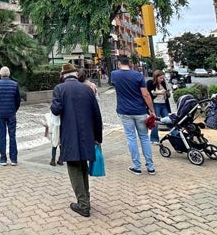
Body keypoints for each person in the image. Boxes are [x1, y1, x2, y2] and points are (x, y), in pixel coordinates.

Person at [50, 63, 103, 218]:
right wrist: (98, 138)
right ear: (75, 75)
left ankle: (83, 204)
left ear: (62, 76)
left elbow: (55, 110)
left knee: (74, 167)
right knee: (83, 167)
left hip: (70, 134)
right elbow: (97, 115)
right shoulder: (87, 89)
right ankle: (86, 199)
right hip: (87, 135)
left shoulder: (59, 89)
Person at [112, 55, 156, 175]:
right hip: (140, 110)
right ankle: (150, 166)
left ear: (119, 63)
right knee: (144, 138)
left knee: (131, 138)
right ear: (129, 63)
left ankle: (136, 166)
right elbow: (145, 94)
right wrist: (152, 110)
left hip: (124, 110)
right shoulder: (138, 75)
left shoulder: (114, 74)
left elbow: (116, 86)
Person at [0, 66, 21, 166]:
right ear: (9, 74)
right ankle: (14, 159)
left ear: (0, 74)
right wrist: (14, 110)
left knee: (2, 136)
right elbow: (18, 101)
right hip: (11, 113)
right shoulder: (15, 84)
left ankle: (3, 158)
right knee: (12, 136)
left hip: (1, 114)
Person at [146, 70, 171, 145]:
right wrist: (159, 92)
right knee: (155, 121)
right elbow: (150, 93)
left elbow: (167, 96)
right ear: (156, 77)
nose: (162, 80)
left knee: (169, 119)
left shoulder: (163, 84)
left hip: (163, 104)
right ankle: (154, 139)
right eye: (160, 78)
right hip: (155, 104)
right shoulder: (150, 82)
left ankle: (176, 135)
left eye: (163, 78)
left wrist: (167, 93)